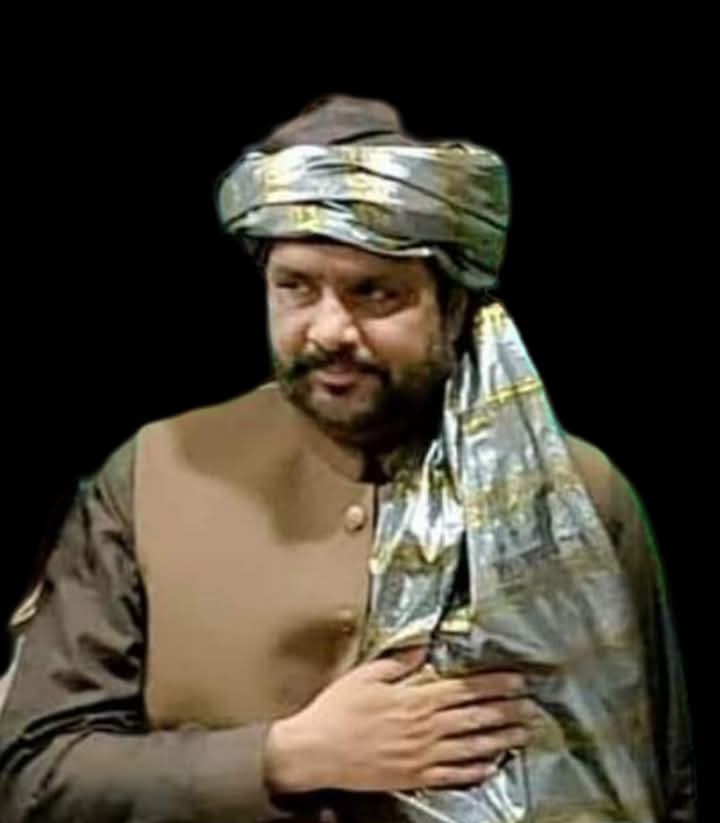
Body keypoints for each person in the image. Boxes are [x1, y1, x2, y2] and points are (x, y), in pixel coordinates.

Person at [0, 95, 695, 822]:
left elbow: (660, 780)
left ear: (455, 305)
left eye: (375, 293)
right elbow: (34, 775)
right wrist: (286, 756)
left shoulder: (569, 493)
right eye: (296, 287)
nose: (329, 329)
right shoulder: (154, 473)